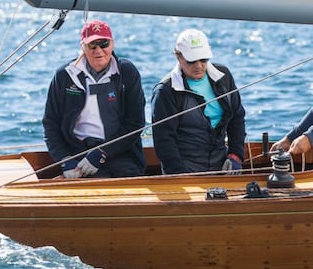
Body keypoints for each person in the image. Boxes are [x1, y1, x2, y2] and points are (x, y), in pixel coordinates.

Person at [42, 19, 146, 178]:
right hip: (77, 155)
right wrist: (64, 159)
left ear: (112, 44)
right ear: (82, 46)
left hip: (120, 153)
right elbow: (51, 124)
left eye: (103, 43)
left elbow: (135, 123)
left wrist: (102, 153)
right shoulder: (64, 76)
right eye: (92, 45)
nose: (99, 50)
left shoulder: (127, 72)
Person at [151, 29, 246, 174]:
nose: (199, 66)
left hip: (222, 165)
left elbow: (237, 118)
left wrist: (235, 155)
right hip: (184, 168)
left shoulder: (224, 77)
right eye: (191, 60)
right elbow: (164, 140)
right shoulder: (165, 91)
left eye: (203, 59)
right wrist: (180, 175)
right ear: (178, 56)